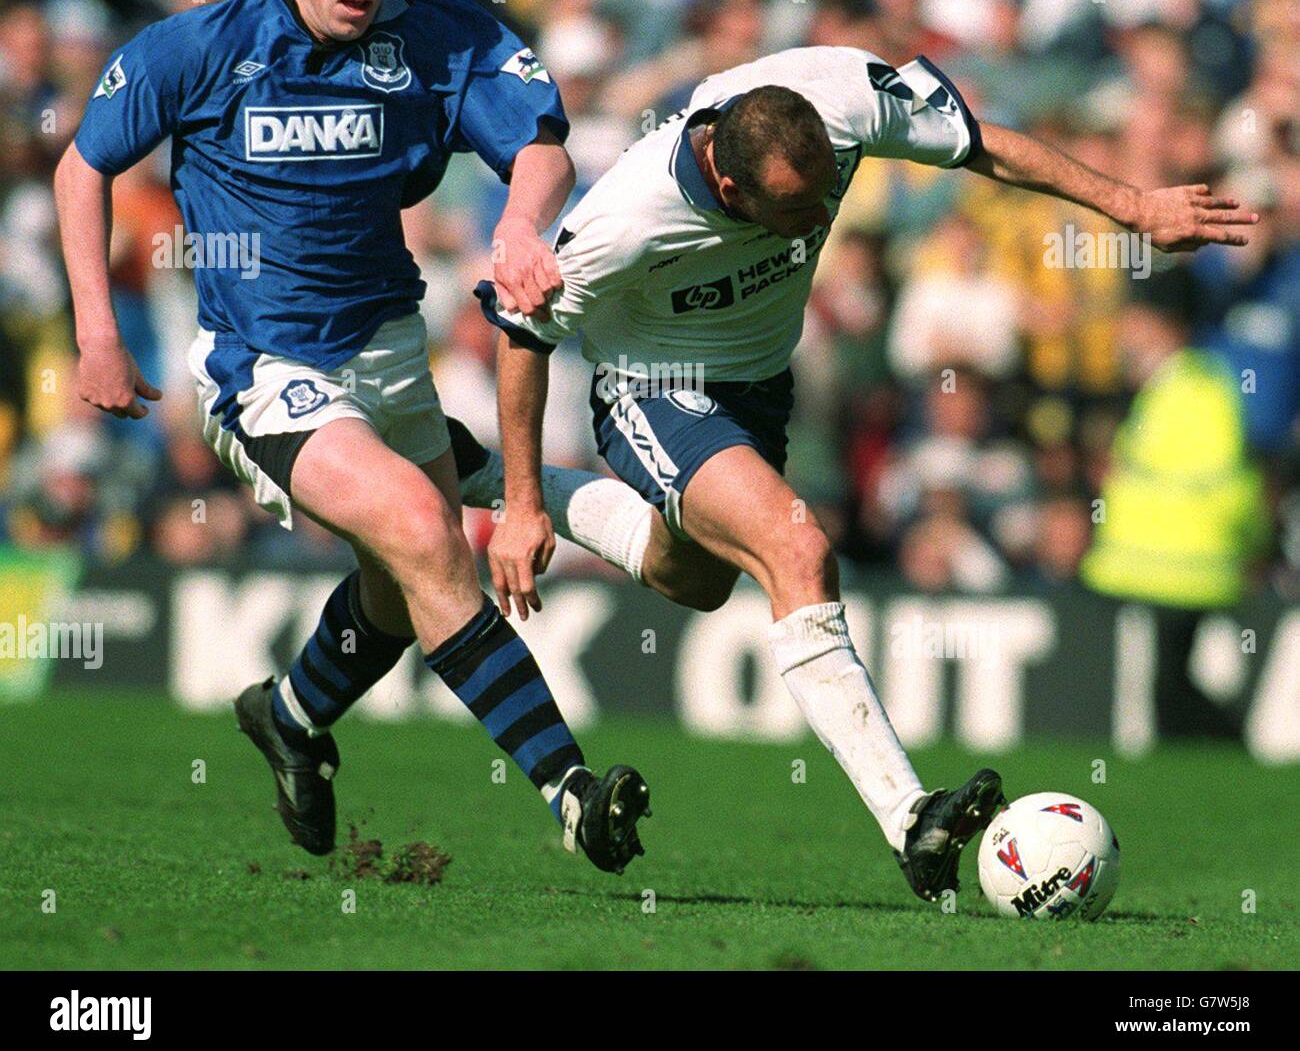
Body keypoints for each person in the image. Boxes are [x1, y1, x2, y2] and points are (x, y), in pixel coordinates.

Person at [465, 45, 1256, 900]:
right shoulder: (626, 217)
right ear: (731, 191)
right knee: (798, 551)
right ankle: (912, 819)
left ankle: (460, 466)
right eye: (795, 209)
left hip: (760, 386)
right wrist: (519, 505)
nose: (817, 225)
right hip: (655, 387)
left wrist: (1131, 205)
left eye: (823, 198)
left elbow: (980, 142)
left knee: (689, 577)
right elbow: (522, 330)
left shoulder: (845, 101)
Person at [55, 0, 650, 874]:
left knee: (395, 584)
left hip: (386, 348)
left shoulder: (435, 29)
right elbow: (83, 167)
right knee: (427, 530)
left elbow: (541, 143)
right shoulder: (197, 47)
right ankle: (570, 788)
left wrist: (519, 227)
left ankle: (289, 716)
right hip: (265, 366)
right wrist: (98, 331)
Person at [1081, 266, 1269, 737]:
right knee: (1169, 686)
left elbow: (1224, 487)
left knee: (1170, 690)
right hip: (1175, 567)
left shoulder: (1195, 390)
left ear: (1161, 324)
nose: (1122, 329)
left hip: (1178, 568)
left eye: (1132, 316)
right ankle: (1234, 761)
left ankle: (1236, 755)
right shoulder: (1176, 387)